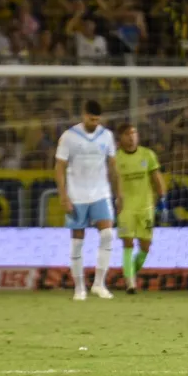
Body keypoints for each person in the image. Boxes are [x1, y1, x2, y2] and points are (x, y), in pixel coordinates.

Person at [54, 100, 123, 300]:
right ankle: (79, 288)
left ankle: (99, 284)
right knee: (77, 242)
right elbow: (59, 167)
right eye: (91, 119)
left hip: (101, 193)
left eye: (97, 119)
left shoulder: (107, 136)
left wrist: (119, 193)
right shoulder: (69, 137)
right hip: (77, 196)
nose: (94, 122)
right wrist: (63, 195)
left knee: (108, 234)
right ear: (83, 115)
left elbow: (113, 166)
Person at [115, 123, 168, 294]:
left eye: (134, 134)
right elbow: (112, 182)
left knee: (145, 246)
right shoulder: (116, 159)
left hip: (146, 207)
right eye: (127, 134)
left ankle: (130, 272)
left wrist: (163, 201)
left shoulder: (148, 155)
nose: (131, 138)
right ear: (120, 138)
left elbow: (157, 178)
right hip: (125, 208)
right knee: (128, 243)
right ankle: (130, 283)